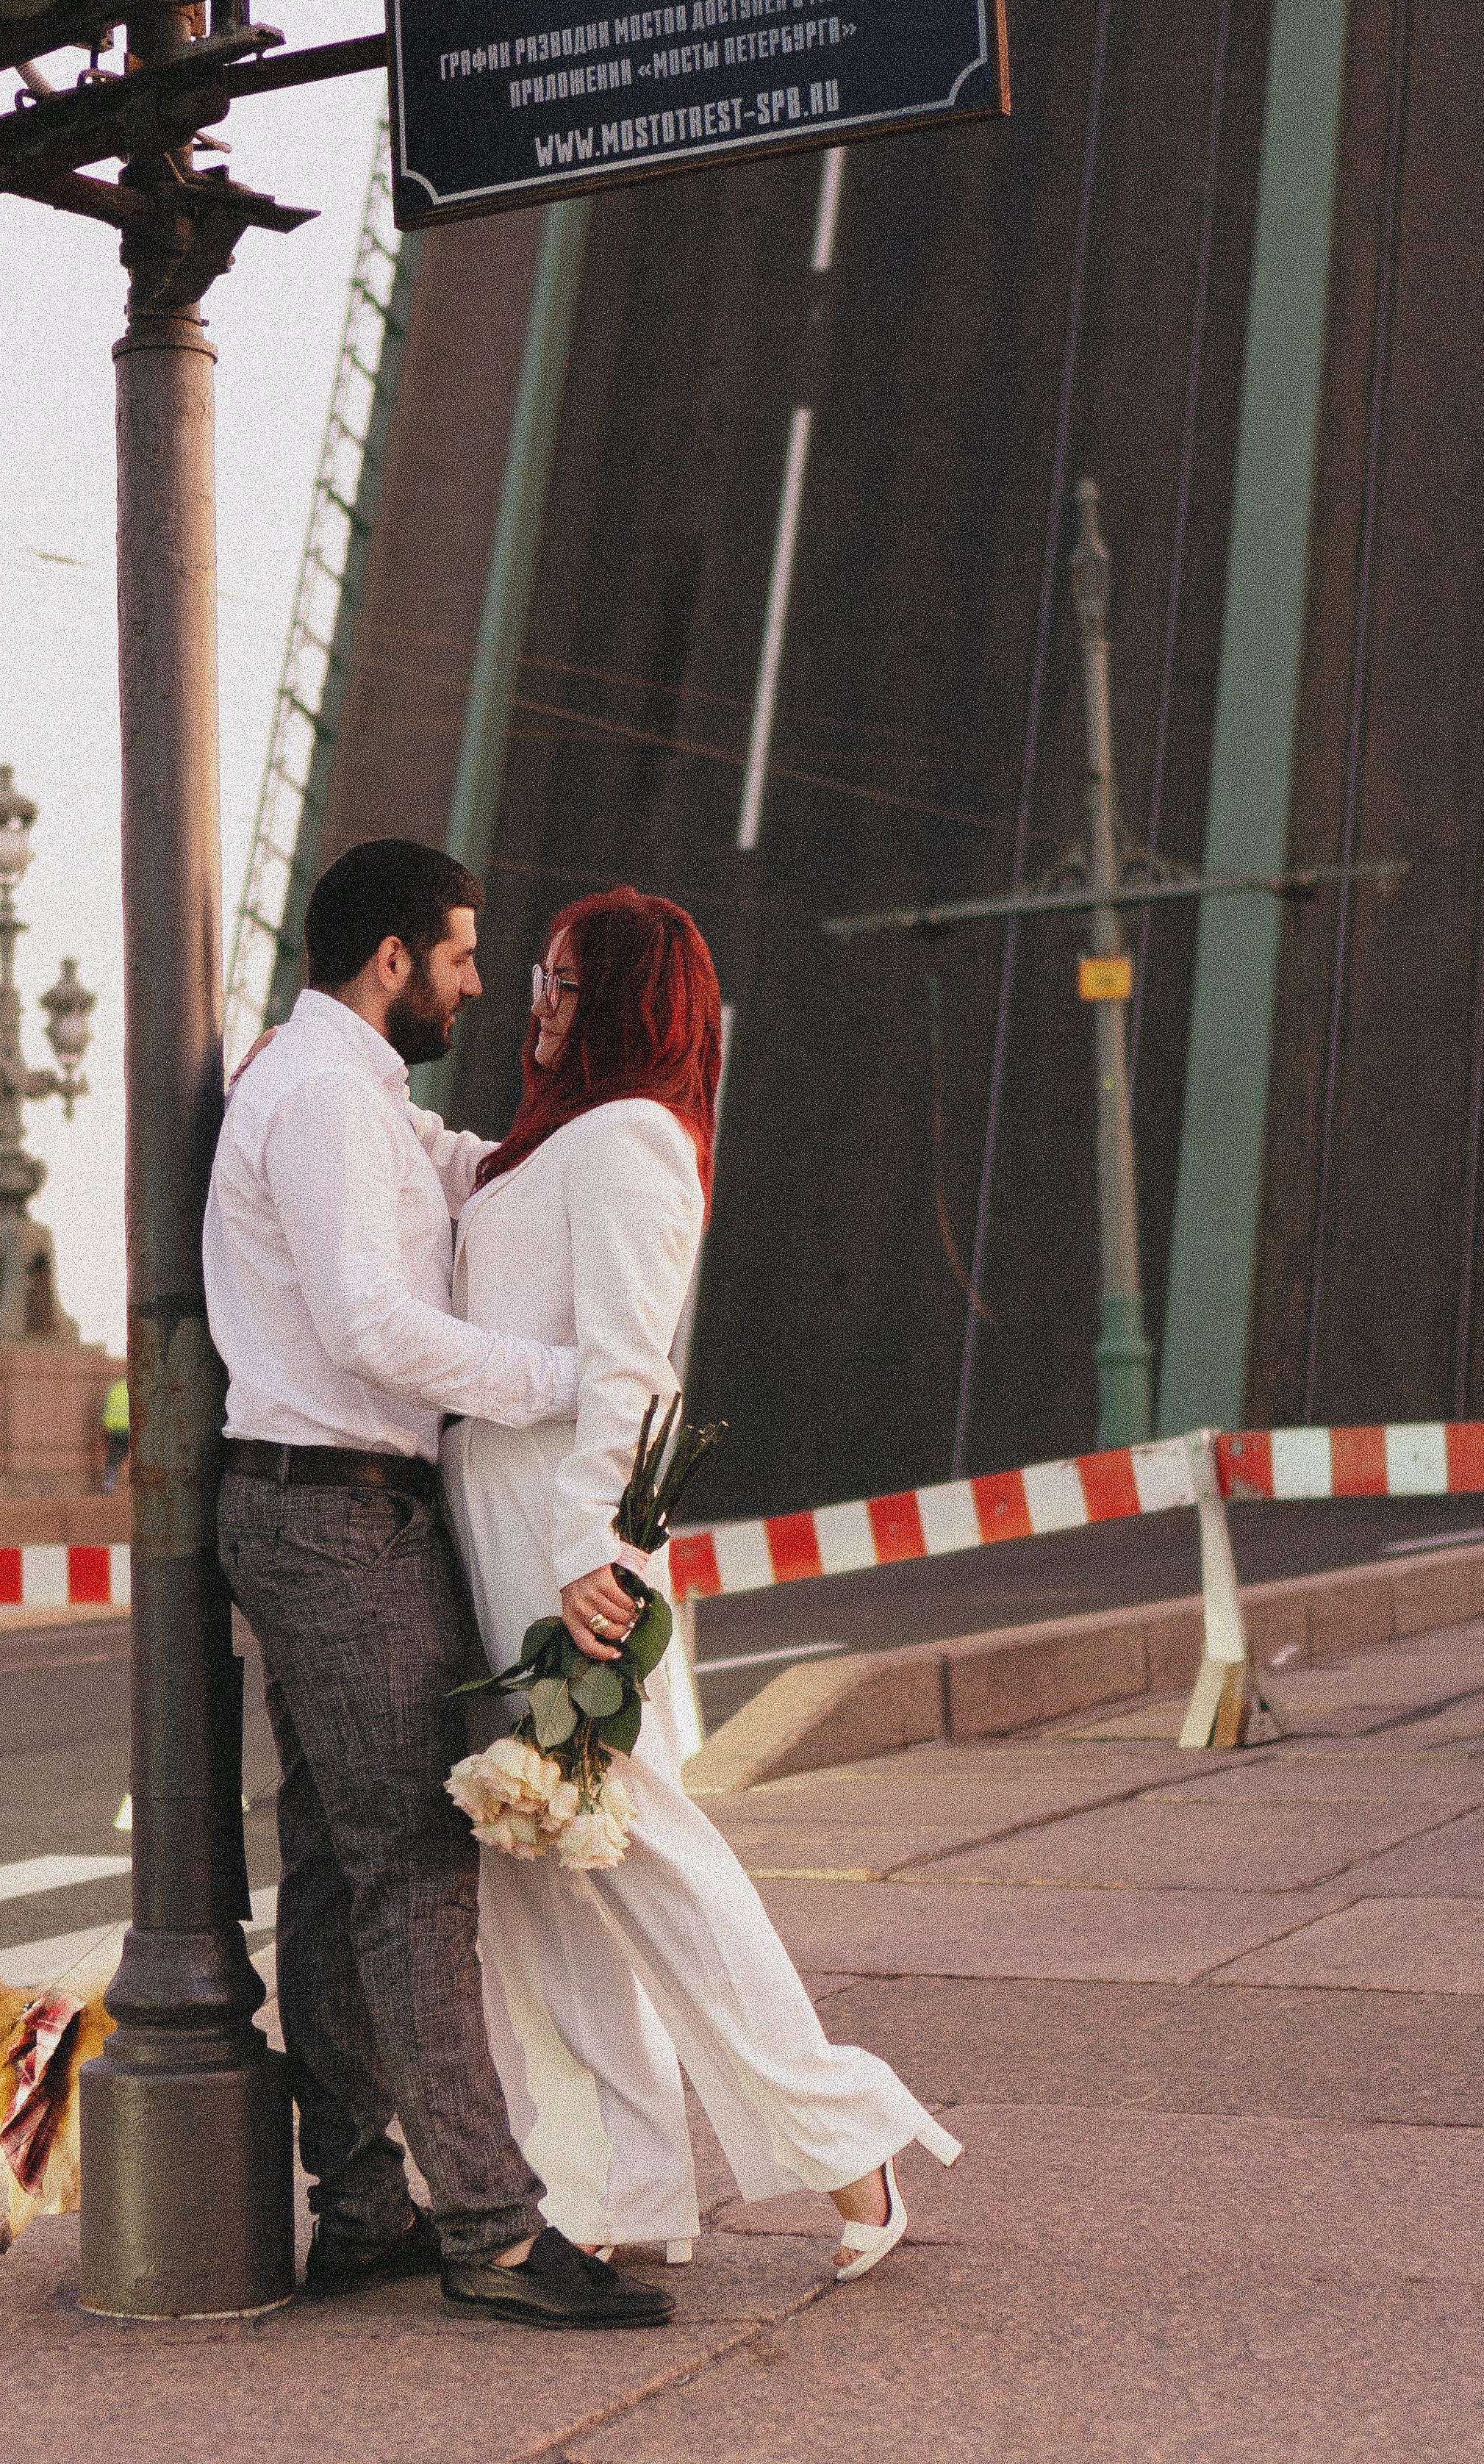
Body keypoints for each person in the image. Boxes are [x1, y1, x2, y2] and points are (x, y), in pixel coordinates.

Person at [442, 888, 961, 2283]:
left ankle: (849, 2144)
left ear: (621, 997)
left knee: (643, 1849)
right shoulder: (547, 1147)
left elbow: (631, 1368)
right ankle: (618, 2187)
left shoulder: (630, 1143)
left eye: (560, 981)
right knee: (545, 1873)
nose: (535, 1003)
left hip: (565, 1543)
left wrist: (592, 1559)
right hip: (502, 1525)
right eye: (538, 977)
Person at [203, 839, 672, 2331]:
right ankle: (494, 2231)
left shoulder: (356, 1092)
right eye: (464, 957)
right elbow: (366, 1326)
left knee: (346, 1871)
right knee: (415, 1863)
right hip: (334, 1516)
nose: (480, 983)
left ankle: (358, 2207)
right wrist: (566, 1379)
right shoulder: (328, 1095)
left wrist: (572, 1146)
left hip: (322, 1511)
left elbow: (471, 1171)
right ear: (393, 958)